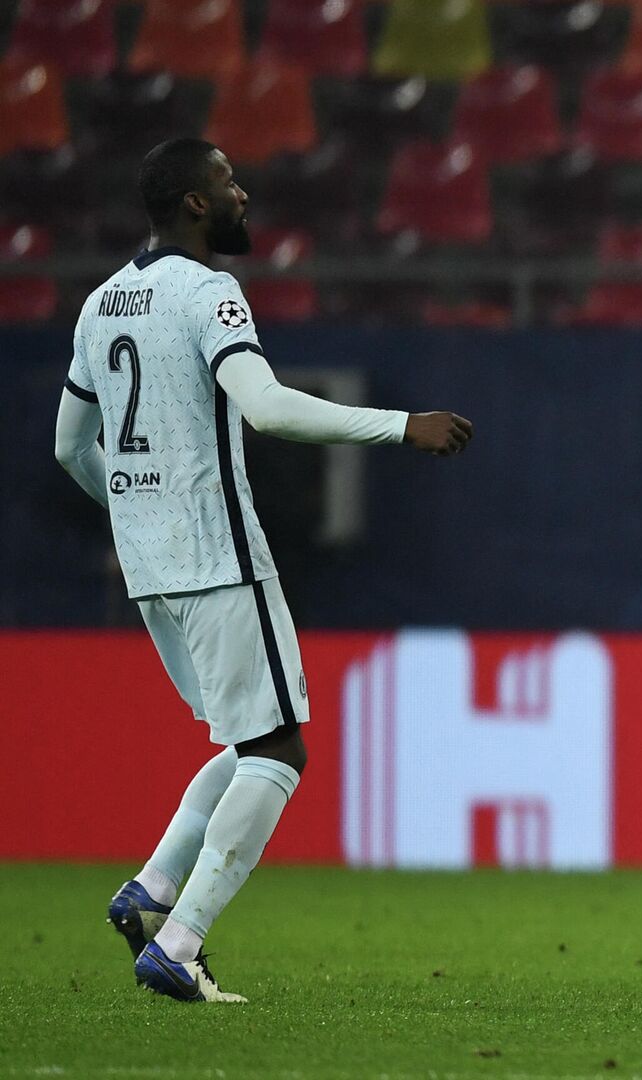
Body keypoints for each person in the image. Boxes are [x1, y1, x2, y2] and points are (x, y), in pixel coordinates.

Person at [59, 138, 472, 1003]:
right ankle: (179, 939)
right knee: (280, 751)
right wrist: (404, 426)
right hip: (216, 553)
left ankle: (153, 887)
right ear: (195, 204)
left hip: (150, 571)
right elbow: (270, 409)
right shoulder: (211, 293)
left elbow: (69, 448)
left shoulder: (100, 304)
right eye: (228, 183)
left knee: (250, 738)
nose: (244, 193)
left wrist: (135, 516)